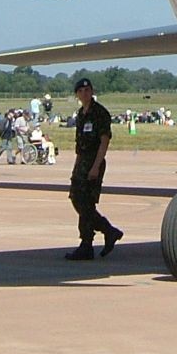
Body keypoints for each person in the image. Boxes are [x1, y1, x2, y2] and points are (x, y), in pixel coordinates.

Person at [66, 78, 121, 260]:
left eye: (87, 90)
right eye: (81, 91)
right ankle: (106, 232)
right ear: (77, 95)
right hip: (81, 160)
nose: (85, 94)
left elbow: (104, 141)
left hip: (93, 161)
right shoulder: (81, 113)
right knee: (78, 199)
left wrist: (96, 166)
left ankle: (88, 242)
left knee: (86, 202)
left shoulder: (99, 113)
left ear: (92, 92)